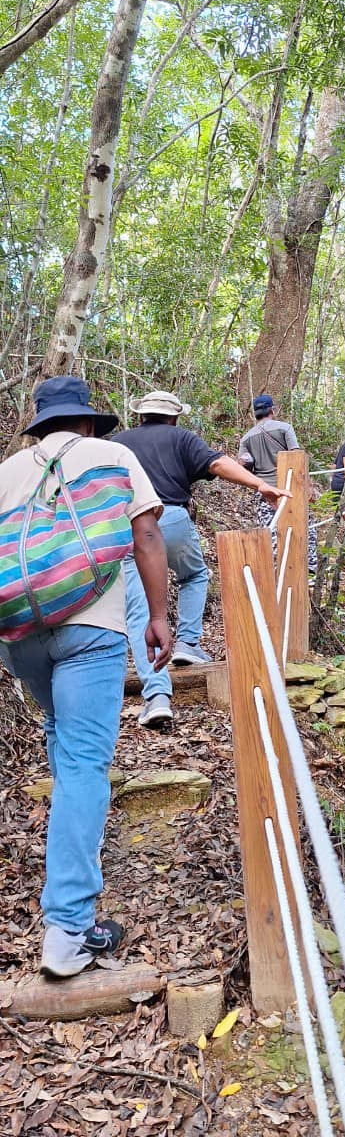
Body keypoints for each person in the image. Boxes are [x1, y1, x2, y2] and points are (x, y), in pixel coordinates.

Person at [0, 377, 173, 978]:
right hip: (92, 627)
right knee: (82, 767)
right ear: (90, 423)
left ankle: (72, 846)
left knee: (59, 732)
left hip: (19, 636)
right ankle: (69, 930)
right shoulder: (114, 456)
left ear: (40, 426)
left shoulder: (8, 470)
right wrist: (155, 616)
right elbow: (146, 534)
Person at [113, 391, 290, 731]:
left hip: (129, 526)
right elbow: (218, 463)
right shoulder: (181, 438)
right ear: (174, 417)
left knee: (141, 610)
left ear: (140, 416)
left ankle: (157, 698)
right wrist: (260, 486)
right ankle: (188, 642)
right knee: (193, 575)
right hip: (172, 518)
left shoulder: (119, 444)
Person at [238, 394, 318, 574]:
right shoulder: (284, 429)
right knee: (305, 530)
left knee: (271, 534)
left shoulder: (246, 438)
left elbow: (242, 467)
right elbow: (296, 457)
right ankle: (309, 573)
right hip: (290, 488)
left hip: (264, 492)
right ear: (272, 410)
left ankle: (276, 575)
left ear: (255, 414)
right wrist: (308, 486)